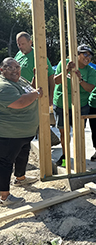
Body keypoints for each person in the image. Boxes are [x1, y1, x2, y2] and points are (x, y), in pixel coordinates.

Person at [0, 58, 43, 206]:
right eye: (10, 68)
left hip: (24, 133)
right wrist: (36, 94)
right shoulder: (4, 86)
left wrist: (35, 80)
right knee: (6, 162)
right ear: (2, 70)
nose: (15, 70)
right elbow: (20, 102)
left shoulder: (19, 79)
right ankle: (4, 196)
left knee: (23, 154)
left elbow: (29, 90)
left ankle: (20, 178)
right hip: (10, 134)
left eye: (17, 67)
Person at [53, 44, 96, 166]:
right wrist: (66, 70)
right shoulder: (64, 63)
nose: (87, 57)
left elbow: (90, 89)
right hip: (61, 104)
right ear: (76, 55)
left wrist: (80, 80)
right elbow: (56, 81)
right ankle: (64, 156)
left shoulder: (91, 71)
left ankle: (79, 157)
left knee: (79, 132)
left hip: (80, 105)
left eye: (90, 55)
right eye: (85, 54)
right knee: (64, 132)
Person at [14, 31, 55, 105]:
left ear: (30, 42)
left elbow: (51, 77)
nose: (20, 47)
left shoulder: (39, 56)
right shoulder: (18, 54)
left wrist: (51, 98)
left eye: (23, 44)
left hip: (34, 96)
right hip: (19, 96)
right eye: (18, 44)